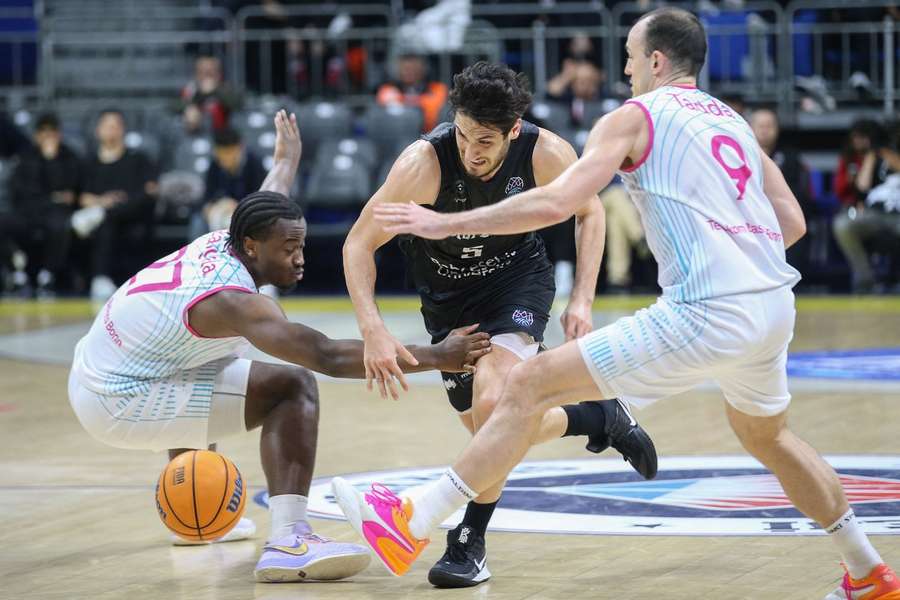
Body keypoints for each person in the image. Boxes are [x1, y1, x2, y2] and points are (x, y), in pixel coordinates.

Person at [334, 9, 900, 599]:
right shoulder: (731, 121)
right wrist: (731, 249)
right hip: (772, 307)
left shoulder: (634, 117)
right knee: (769, 438)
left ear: (656, 61)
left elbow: (563, 204)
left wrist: (443, 221)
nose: (625, 68)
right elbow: (791, 222)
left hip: (703, 308)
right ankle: (867, 571)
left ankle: (413, 521)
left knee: (524, 387)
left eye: (630, 55)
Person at [67, 110, 491, 583]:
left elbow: (270, 200)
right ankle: (290, 540)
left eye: (302, 245)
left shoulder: (235, 235)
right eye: (289, 249)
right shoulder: (234, 301)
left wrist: (286, 160)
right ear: (252, 247)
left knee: (208, 361)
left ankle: (194, 518)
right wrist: (438, 356)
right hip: (116, 396)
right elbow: (327, 356)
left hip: (114, 365)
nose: (300, 258)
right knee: (292, 387)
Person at [342, 61, 657, 588]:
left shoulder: (547, 152)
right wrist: (373, 329)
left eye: (485, 139)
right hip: (446, 301)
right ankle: (595, 418)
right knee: (494, 431)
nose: (471, 150)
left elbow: (591, 214)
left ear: (513, 129)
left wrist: (582, 297)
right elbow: (358, 244)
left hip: (516, 283)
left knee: (495, 404)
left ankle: (469, 541)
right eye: (463, 134)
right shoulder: (422, 165)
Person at [74, 109, 159, 301]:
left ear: (123, 130)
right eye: (107, 125)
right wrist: (102, 202)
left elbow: (150, 191)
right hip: (102, 219)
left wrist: (113, 205)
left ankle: (103, 215)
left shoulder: (138, 159)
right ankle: (99, 278)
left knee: (111, 214)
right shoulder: (89, 163)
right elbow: (81, 196)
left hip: (132, 215)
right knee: (105, 221)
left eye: (116, 125)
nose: (111, 130)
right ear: (98, 130)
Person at [1, 112, 81, 295]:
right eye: (43, 132)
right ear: (36, 135)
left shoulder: (69, 157)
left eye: (52, 131)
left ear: (59, 134)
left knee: (60, 225)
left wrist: (51, 160)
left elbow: (70, 189)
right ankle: (15, 271)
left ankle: (48, 274)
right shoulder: (25, 156)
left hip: (55, 212)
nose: (47, 136)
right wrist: (52, 197)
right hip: (28, 210)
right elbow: (20, 190)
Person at [376, 53, 448, 132]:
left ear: (423, 68)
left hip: (429, 135)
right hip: (396, 135)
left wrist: (403, 101)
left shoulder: (437, 88)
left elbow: (432, 114)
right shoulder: (387, 89)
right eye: (406, 68)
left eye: (413, 67)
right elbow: (384, 113)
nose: (409, 72)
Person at [180, 55, 242, 133]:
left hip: (223, 136)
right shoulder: (190, 89)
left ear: (219, 73)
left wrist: (216, 90)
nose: (207, 76)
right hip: (197, 133)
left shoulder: (227, 89)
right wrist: (200, 93)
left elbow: (237, 104)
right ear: (196, 74)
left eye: (210, 72)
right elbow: (179, 106)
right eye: (202, 72)